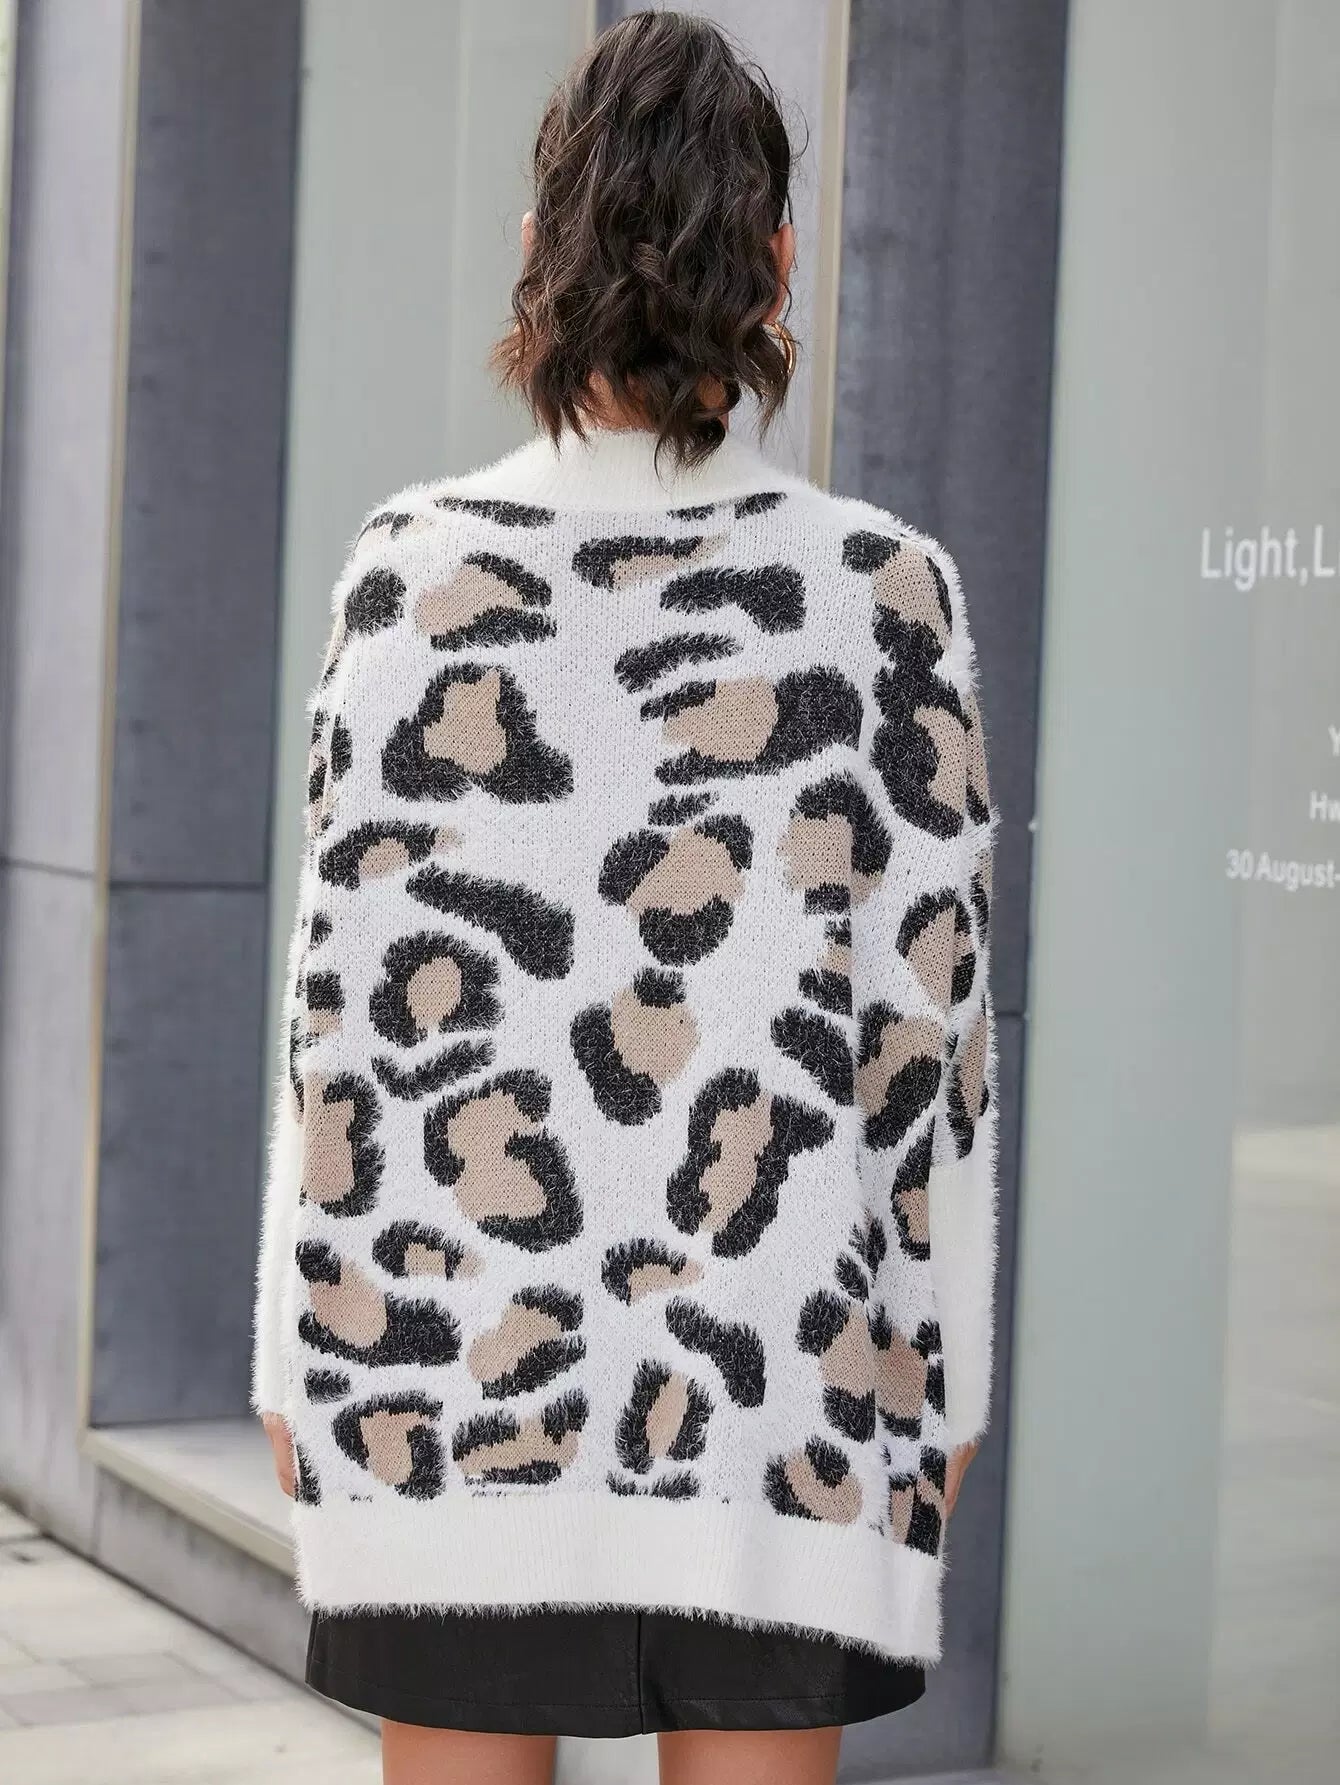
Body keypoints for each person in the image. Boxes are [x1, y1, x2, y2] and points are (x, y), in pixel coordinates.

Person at [252, 11, 999, 1783]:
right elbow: (936, 1049)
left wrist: (294, 1344)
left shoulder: (409, 578)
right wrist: (949, 1370)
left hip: (441, 1374)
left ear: (540, 252)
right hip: (779, 1386)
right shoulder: (885, 595)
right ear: (777, 267)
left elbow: (336, 1028)